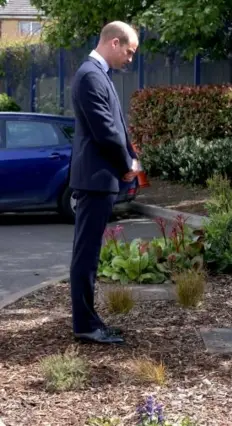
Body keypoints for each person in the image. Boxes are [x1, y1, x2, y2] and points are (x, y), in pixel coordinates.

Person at [68, 21, 140, 344]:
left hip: (100, 179)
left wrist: (130, 157)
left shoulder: (97, 75)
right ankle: (85, 325)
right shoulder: (90, 76)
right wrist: (127, 164)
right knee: (86, 255)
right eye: (128, 51)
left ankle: (89, 319)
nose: (129, 59)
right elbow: (106, 131)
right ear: (113, 43)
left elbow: (115, 127)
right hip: (96, 180)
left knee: (89, 254)